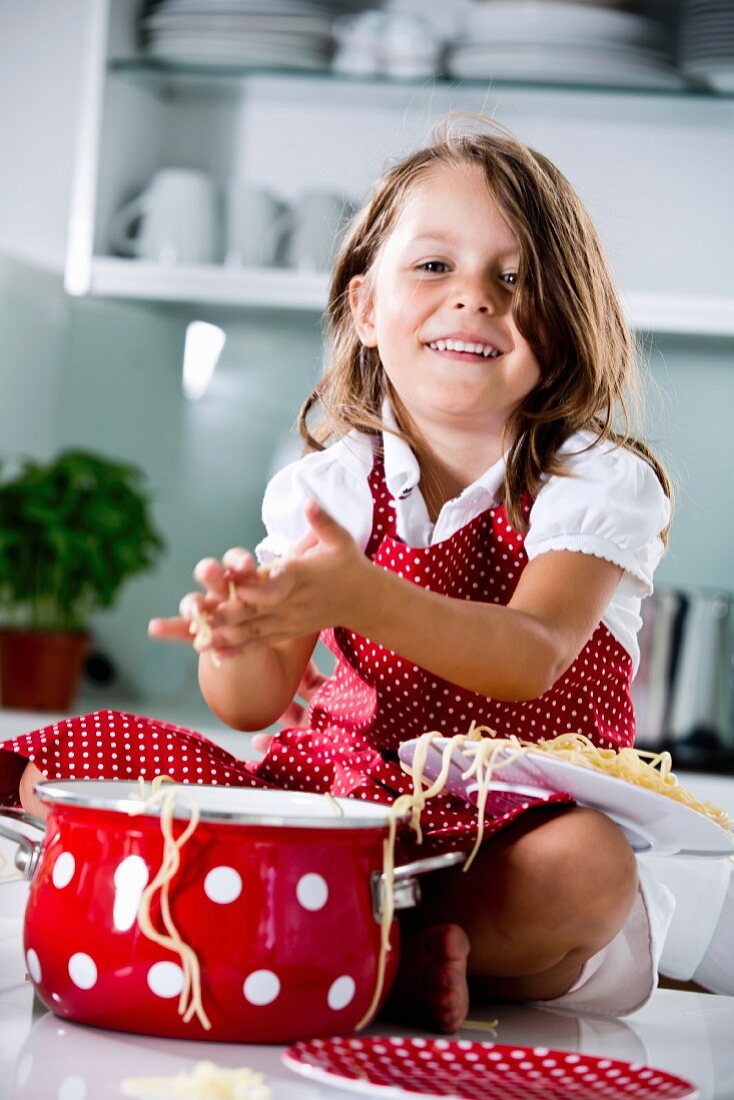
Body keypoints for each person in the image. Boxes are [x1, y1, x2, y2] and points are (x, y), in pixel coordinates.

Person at [10, 118, 677, 1031]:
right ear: (366, 309)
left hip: (505, 833)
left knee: (590, 871)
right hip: (340, 810)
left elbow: (531, 655)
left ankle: (348, 953)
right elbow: (249, 706)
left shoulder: (594, 478)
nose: (473, 298)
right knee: (89, 762)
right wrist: (236, 634)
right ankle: (346, 949)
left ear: (564, 323)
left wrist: (365, 597)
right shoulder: (326, 486)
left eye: (515, 278)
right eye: (434, 267)